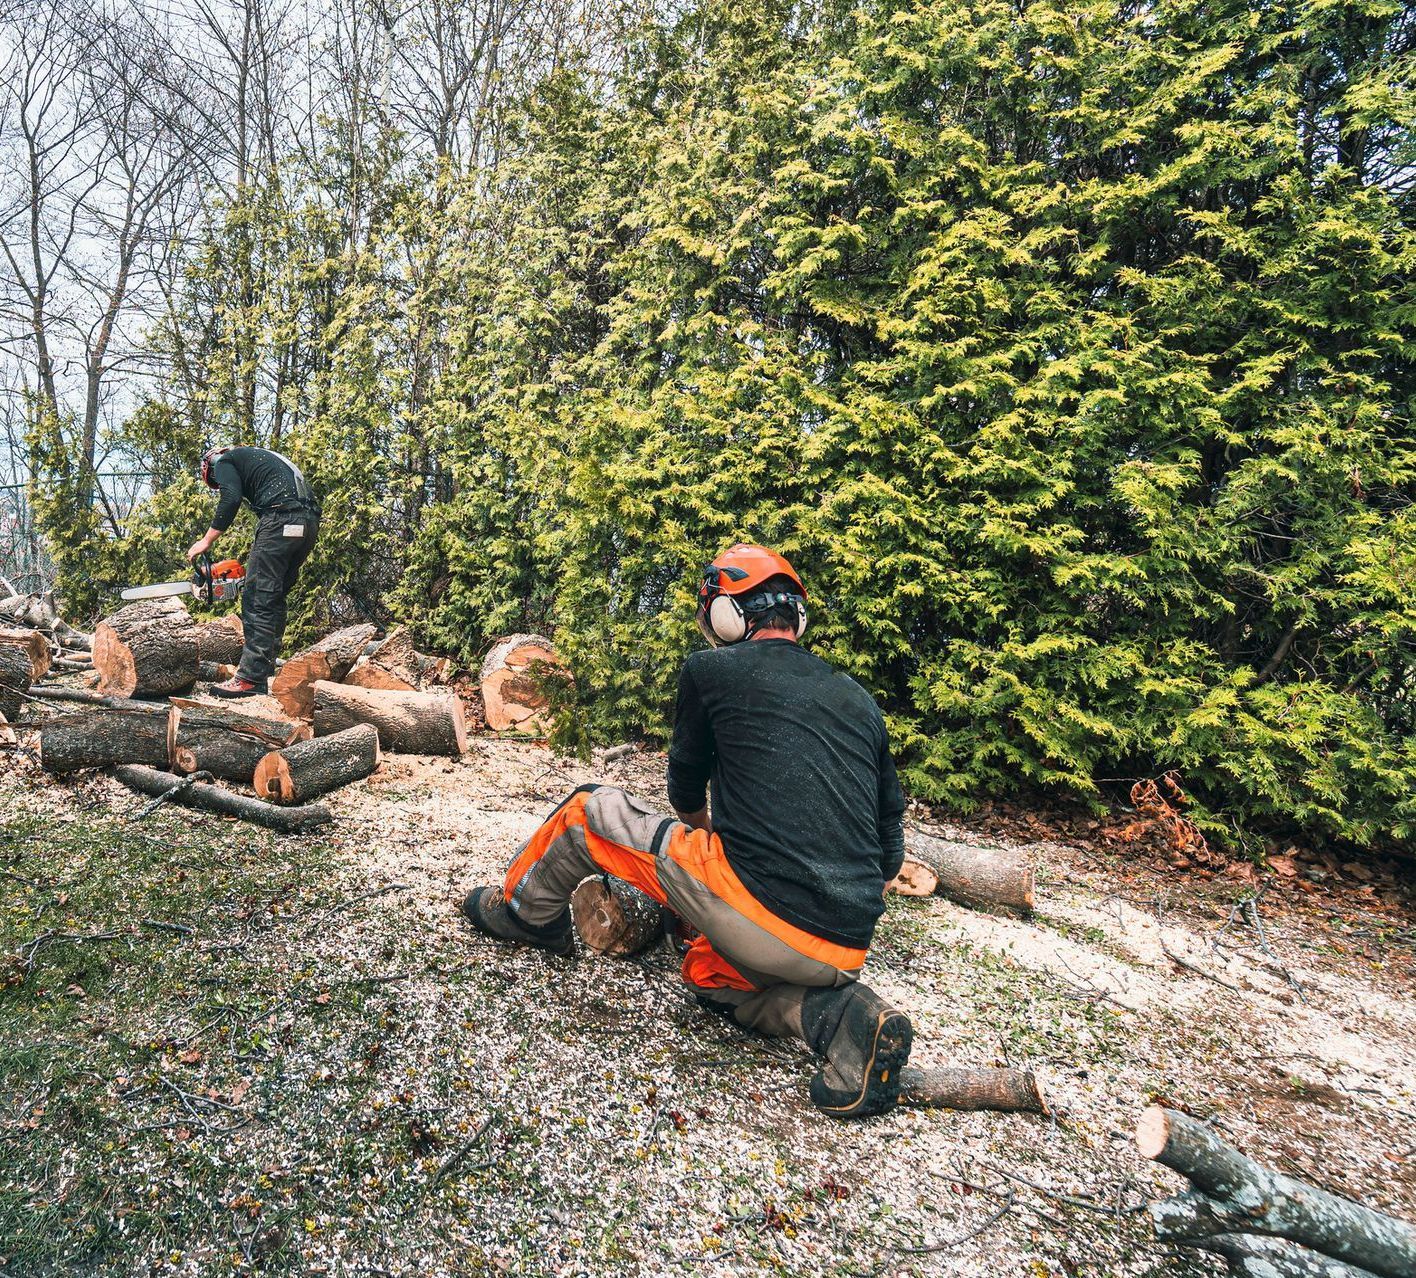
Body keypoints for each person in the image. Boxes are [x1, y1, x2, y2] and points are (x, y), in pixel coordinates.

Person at [459, 543, 912, 1118]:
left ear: (728, 613)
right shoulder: (859, 699)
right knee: (707, 976)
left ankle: (524, 914)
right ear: (796, 615)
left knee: (586, 811)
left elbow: (684, 792)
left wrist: (705, 846)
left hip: (758, 914)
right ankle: (837, 1017)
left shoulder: (711, 669)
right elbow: (889, 846)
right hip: (845, 946)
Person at [187, 445, 321, 699]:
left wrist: (206, 541)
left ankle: (250, 678)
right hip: (307, 524)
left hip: (280, 518)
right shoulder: (263, 457)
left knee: (257, 597)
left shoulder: (223, 462)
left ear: (209, 467)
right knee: (274, 596)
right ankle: (264, 669)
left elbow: (231, 498)